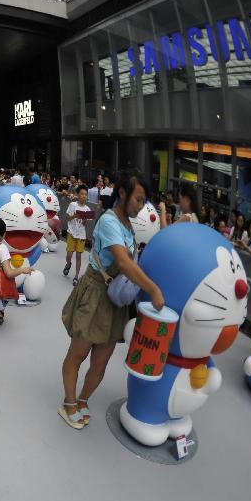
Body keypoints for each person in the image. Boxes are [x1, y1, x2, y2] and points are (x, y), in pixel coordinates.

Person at [59, 174, 164, 430]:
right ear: (123, 194)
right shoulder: (108, 221)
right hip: (95, 293)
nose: (141, 205)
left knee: (101, 363)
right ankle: (69, 403)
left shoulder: (129, 226)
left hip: (116, 302)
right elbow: (124, 263)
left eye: (144, 201)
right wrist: (153, 290)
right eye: (138, 199)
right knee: (78, 353)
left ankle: (83, 399)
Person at [62, 185, 95, 286]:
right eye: (82, 194)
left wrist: (85, 220)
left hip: (81, 235)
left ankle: (76, 276)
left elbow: (85, 224)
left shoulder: (87, 209)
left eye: (86, 194)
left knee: (78, 256)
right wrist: (74, 216)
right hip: (72, 232)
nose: (84, 196)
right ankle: (68, 264)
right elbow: (67, 218)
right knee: (69, 254)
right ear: (77, 195)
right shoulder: (72, 205)